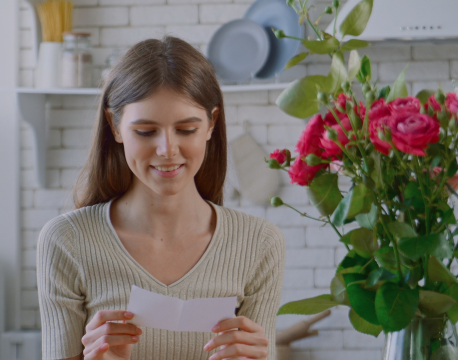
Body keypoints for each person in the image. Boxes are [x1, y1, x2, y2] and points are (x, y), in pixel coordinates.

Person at [36, 35, 286, 360]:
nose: (167, 150)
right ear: (114, 126)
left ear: (211, 124)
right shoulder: (66, 242)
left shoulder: (260, 244)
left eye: (186, 130)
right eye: (145, 131)